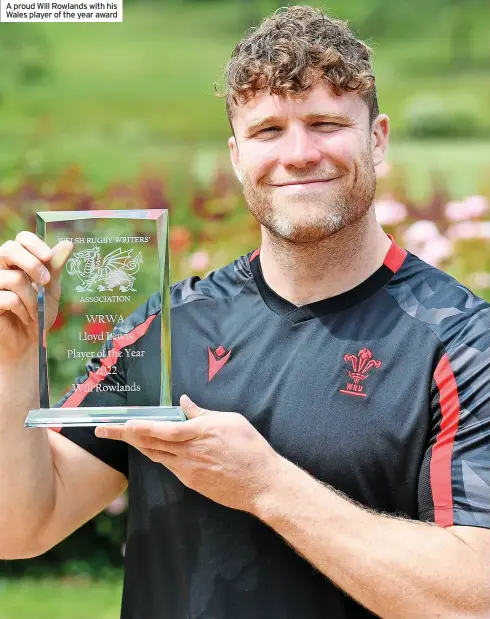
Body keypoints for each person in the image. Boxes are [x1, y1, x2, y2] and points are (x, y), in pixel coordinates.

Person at [0, 5, 489, 619]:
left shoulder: (462, 342)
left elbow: (475, 599)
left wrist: (266, 486)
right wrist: (13, 359)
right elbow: (21, 526)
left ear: (378, 138)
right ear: (236, 156)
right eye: (268, 131)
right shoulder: (169, 327)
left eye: (326, 122)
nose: (300, 153)